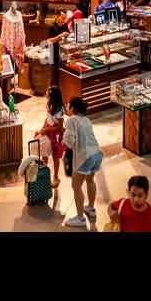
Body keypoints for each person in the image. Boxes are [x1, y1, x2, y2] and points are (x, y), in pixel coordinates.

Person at [62, 96, 102, 228]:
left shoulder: (71, 120)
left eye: (68, 105)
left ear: (73, 108)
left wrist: (64, 139)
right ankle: (90, 208)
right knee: (90, 181)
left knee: (76, 186)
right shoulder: (86, 120)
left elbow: (70, 142)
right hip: (97, 153)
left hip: (85, 157)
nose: (67, 108)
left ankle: (80, 218)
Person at [35, 86, 66, 187]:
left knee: (55, 156)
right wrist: (43, 128)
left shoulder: (60, 110)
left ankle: (56, 177)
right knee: (44, 153)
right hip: (47, 130)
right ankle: (44, 176)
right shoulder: (49, 104)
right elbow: (47, 118)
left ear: (53, 96)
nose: (46, 94)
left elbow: (59, 127)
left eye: (48, 93)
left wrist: (47, 129)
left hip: (55, 133)